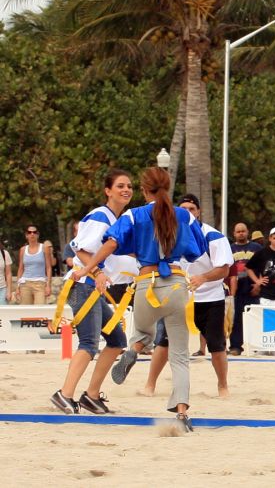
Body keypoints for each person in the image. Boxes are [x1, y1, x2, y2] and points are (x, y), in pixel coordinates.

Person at [83, 167, 207, 433]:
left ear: (143, 189)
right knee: (180, 355)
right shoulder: (184, 215)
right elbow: (198, 250)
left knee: (142, 330)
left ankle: (136, 348)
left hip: (146, 283)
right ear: (168, 186)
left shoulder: (134, 214)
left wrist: (89, 267)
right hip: (175, 283)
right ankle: (182, 413)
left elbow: (112, 243)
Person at [49, 169, 133, 415]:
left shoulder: (118, 220)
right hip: (82, 286)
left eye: (129, 186)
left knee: (117, 341)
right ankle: (64, 395)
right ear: (108, 191)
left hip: (94, 289)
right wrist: (97, 273)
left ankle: (91, 396)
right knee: (88, 342)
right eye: (120, 186)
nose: (126, 189)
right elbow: (78, 248)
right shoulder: (100, 216)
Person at [143, 194, 233, 398]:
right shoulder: (170, 235)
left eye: (192, 208)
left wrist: (202, 278)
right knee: (164, 342)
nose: (187, 212)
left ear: (198, 212)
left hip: (210, 298)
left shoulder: (213, 236)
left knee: (216, 345)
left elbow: (224, 270)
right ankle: (150, 384)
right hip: (179, 297)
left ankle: (223, 386)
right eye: (183, 208)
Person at [227, 222, 261, 356]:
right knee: (236, 319)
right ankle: (235, 346)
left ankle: (258, 345)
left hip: (253, 286)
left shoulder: (257, 248)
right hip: (237, 288)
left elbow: (263, 266)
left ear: (248, 232)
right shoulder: (230, 249)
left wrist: (259, 285)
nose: (241, 233)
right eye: (238, 231)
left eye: (243, 231)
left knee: (256, 317)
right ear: (234, 234)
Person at [247, 228, 275, 306]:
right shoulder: (261, 253)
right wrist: (257, 281)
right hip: (266, 296)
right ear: (270, 238)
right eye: (274, 238)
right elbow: (248, 267)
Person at [16, 224, 53, 304]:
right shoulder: (23, 249)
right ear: (26, 235)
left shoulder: (44, 248)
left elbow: (49, 267)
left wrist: (48, 285)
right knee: (25, 311)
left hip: (40, 284)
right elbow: (20, 268)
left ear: (37, 235)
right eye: (29, 232)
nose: (32, 234)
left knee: (40, 310)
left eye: (34, 232)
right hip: (25, 284)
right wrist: (17, 286)